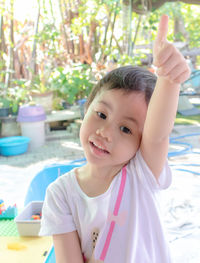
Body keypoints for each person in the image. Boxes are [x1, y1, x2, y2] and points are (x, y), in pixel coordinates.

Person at [39, 15, 190, 263]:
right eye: (101, 114)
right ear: (86, 108)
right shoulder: (60, 194)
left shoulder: (141, 174)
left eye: (126, 129)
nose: (105, 132)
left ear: (142, 142)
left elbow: (158, 135)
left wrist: (169, 79)